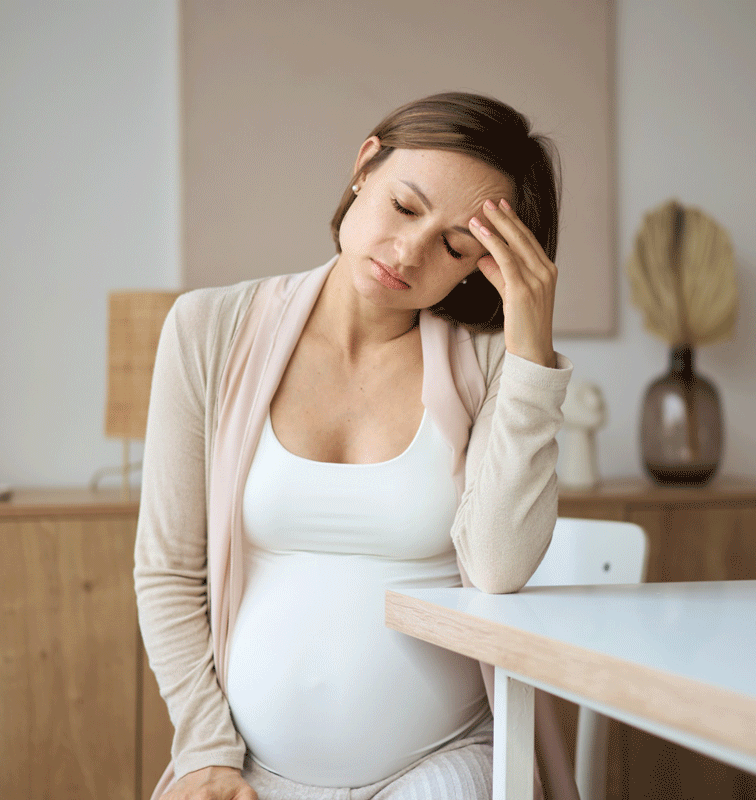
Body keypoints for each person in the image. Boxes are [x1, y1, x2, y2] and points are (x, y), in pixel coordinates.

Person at [135, 91, 574, 800]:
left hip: (443, 764)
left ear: (481, 267)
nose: (409, 252)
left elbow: (496, 568)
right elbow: (167, 573)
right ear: (366, 165)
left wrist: (530, 352)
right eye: (405, 208)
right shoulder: (205, 329)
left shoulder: (491, 365)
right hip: (246, 769)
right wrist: (206, 751)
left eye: (456, 246)